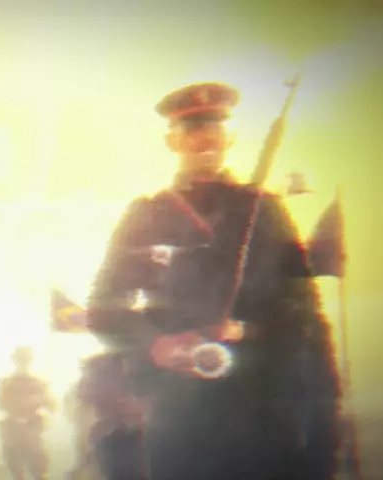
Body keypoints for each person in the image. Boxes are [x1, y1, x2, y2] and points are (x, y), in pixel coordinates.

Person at [86, 82, 341, 480]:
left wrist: (248, 331)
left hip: (263, 411)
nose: (205, 138)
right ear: (172, 141)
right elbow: (103, 308)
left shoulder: (266, 211)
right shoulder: (146, 216)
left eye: (215, 127)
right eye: (192, 129)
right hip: (180, 415)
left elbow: (305, 315)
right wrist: (158, 345)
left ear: (229, 138)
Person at [0, 346, 56, 480]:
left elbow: (51, 405)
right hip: (14, 429)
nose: (23, 362)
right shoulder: (7, 383)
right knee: (16, 467)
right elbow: (0, 404)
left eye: (25, 359)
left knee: (38, 469)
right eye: (21, 359)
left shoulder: (38, 383)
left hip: (32, 429)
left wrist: (38, 399)